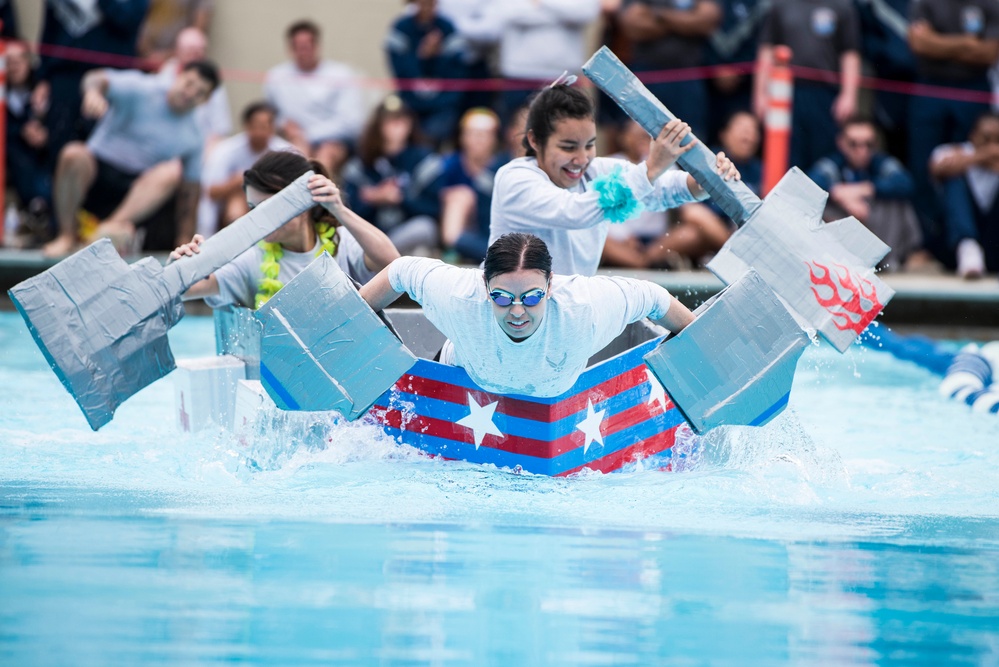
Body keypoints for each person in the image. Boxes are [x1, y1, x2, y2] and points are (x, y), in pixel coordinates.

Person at [359, 232, 694, 397]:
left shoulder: (585, 307)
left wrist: (700, 344)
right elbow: (401, 270)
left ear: (550, 286)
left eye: (532, 297)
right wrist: (349, 324)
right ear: (484, 287)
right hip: (461, 379)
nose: (517, 311)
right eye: (502, 298)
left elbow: (653, 296)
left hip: (552, 403)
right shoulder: (460, 296)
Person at [489, 83, 740, 277]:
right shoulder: (514, 178)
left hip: (569, 305)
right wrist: (651, 168)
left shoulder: (597, 169)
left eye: (589, 145)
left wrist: (706, 181)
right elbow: (575, 212)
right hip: (507, 310)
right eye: (568, 147)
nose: (581, 159)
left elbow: (659, 189)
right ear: (534, 140)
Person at [170, 151, 400, 309]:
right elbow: (186, 290)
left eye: (267, 207)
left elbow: (393, 264)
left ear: (301, 201)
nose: (258, 219)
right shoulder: (253, 257)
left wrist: (339, 209)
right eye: (253, 208)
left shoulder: (342, 242)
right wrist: (182, 268)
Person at [42, 60, 220, 258]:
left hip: (134, 195)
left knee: (172, 172)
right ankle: (66, 235)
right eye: (189, 84)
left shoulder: (194, 134)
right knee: (73, 153)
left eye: (200, 92)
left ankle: (105, 232)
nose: (190, 93)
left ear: (206, 100)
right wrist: (93, 93)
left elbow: (190, 192)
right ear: (178, 76)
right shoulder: (142, 88)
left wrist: (185, 239)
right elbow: (95, 77)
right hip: (95, 174)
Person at [907, 0, 999, 264]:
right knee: (924, 167)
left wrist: (938, 43)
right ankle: (929, 244)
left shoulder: (990, 3)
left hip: (973, 86)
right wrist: (967, 43)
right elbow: (919, 44)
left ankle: (975, 243)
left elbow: (989, 53)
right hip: (930, 85)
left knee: (974, 163)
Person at [753, 0, 862, 171]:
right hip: (785, 92)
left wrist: (849, 95)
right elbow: (767, 49)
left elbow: (850, 54)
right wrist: (761, 94)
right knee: (786, 157)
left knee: (823, 157)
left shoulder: (842, 6)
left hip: (826, 93)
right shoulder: (781, 5)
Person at [809, 116, 922, 272]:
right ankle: (831, 261)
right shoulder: (834, 164)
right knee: (819, 205)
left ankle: (886, 260)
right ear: (841, 143)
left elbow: (906, 183)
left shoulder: (880, 162)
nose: (862, 151)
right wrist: (839, 195)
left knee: (898, 203)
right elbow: (810, 184)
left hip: (877, 228)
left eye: (868, 144)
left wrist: (863, 189)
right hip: (843, 233)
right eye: (853, 144)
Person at [341, 95, 444, 256]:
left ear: (410, 124)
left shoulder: (423, 160)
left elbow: (433, 209)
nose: (396, 127)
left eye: (401, 121)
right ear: (378, 125)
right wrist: (372, 199)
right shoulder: (361, 163)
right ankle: (379, 257)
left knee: (425, 228)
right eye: (389, 122)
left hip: (405, 234)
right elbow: (348, 213)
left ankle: (383, 257)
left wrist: (401, 198)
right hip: (371, 236)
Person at [264, 20, 366, 177]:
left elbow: (351, 123)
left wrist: (308, 134)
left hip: (334, 143)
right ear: (290, 48)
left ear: (317, 46)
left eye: (306, 46)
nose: (303, 52)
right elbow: (271, 117)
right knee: (295, 154)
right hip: (293, 141)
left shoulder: (341, 74)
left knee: (325, 155)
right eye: (298, 47)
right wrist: (284, 125)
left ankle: (319, 190)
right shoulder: (276, 77)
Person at [617, 0, 722, 139]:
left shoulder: (657, 12)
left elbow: (707, 21)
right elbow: (633, 25)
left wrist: (659, 15)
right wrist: (685, 21)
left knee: (690, 138)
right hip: (646, 76)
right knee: (641, 136)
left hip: (688, 79)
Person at [196, 101, 292, 237]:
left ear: (273, 128)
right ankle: (236, 240)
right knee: (236, 200)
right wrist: (235, 182)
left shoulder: (286, 153)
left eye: (265, 126)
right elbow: (210, 191)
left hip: (272, 206)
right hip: (234, 206)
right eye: (256, 126)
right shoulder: (226, 151)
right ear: (247, 126)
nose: (260, 131)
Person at [385, 0, 468, 146]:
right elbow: (400, 71)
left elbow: (456, 72)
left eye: (431, 3)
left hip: (442, 105)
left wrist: (437, 57)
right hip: (410, 103)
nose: (427, 7)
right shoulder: (401, 28)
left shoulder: (447, 28)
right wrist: (421, 56)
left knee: (435, 133)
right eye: (423, 3)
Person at [929, 111, 999, 279]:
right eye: (986, 138)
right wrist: (980, 157)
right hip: (953, 248)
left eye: (998, 140)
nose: (993, 146)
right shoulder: (950, 151)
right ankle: (968, 247)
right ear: (972, 136)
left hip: (994, 246)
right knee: (953, 179)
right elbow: (938, 168)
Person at [439, 108, 509, 263]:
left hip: (492, 229)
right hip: (452, 229)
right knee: (460, 195)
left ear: (495, 138)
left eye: (484, 134)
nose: (478, 139)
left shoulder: (505, 168)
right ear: (462, 136)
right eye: (472, 133)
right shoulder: (446, 166)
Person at [5, 40, 52, 246]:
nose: (14, 67)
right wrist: (20, 131)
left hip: (40, 156)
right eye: (8, 62)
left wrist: (43, 131)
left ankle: (40, 207)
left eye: (19, 61)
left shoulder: (42, 92)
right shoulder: (4, 95)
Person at [156, 26, 232, 152]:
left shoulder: (212, 84)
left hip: (198, 147)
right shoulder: (163, 76)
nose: (190, 93)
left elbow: (220, 129)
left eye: (200, 51)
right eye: (190, 50)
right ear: (177, 51)